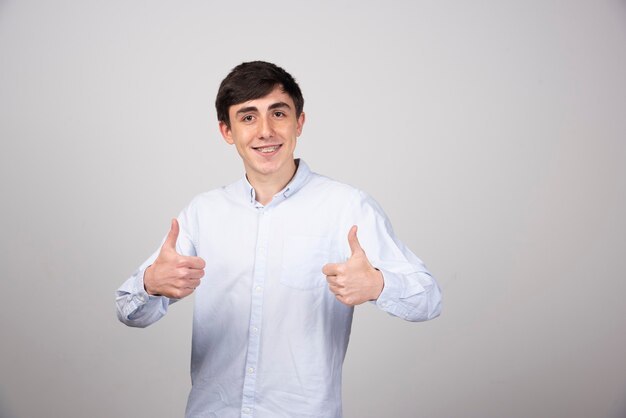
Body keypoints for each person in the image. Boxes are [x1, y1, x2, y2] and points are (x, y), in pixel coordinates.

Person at [116, 61, 442, 418]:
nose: (265, 131)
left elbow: (428, 298)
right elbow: (129, 312)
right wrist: (151, 284)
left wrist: (378, 284)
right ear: (227, 131)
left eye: (278, 113)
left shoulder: (346, 206)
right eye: (248, 117)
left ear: (299, 122)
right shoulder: (202, 213)